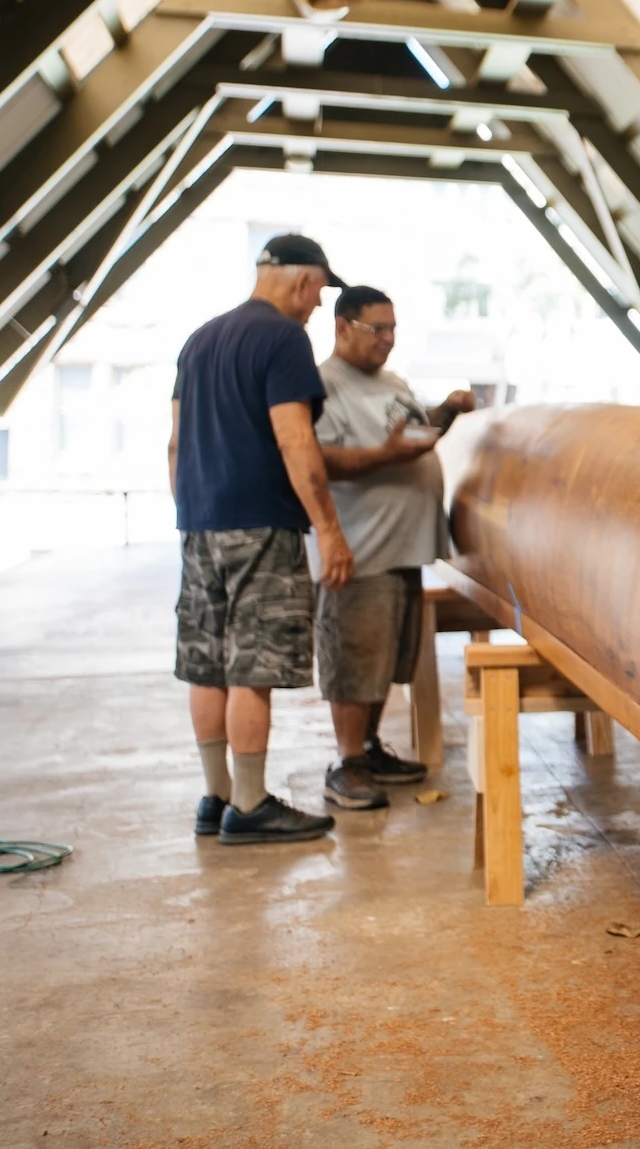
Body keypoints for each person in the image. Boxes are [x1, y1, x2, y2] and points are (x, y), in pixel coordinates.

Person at [169, 234, 354, 846]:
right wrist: (328, 530)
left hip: (199, 524)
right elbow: (295, 440)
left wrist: (192, 511)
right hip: (261, 525)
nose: (317, 308)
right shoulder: (282, 338)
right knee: (252, 664)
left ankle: (215, 796)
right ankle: (249, 806)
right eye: (321, 293)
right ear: (303, 281)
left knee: (208, 665)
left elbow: (174, 444)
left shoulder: (200, 340)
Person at [311, 285, 475, 811]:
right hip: (361, 549)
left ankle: (370, 748)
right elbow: (322, 459)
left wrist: (446, 412)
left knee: (386, 660)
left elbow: (411, 432)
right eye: (375, 329)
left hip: (405, 548)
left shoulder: (393, 380)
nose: (387, 339)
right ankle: (346, 761)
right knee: (356, 659)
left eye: (392, 329)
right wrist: (385, 457)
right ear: (342, 328)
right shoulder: (322, 384)